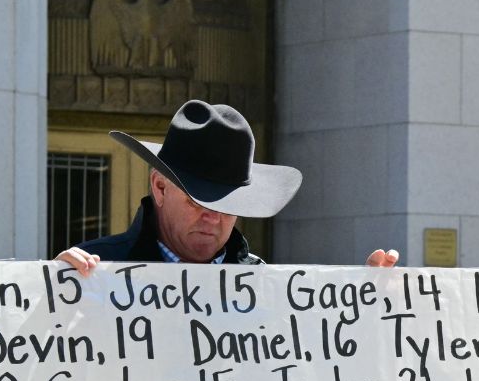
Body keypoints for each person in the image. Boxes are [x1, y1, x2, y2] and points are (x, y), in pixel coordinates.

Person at [56, 100, 397, 271]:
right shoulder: (96, 271)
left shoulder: (270, 288)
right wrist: (51, 303)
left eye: (228, 206)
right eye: (198, 201)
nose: (213, 219)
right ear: (160, 188)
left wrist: (363, 312)